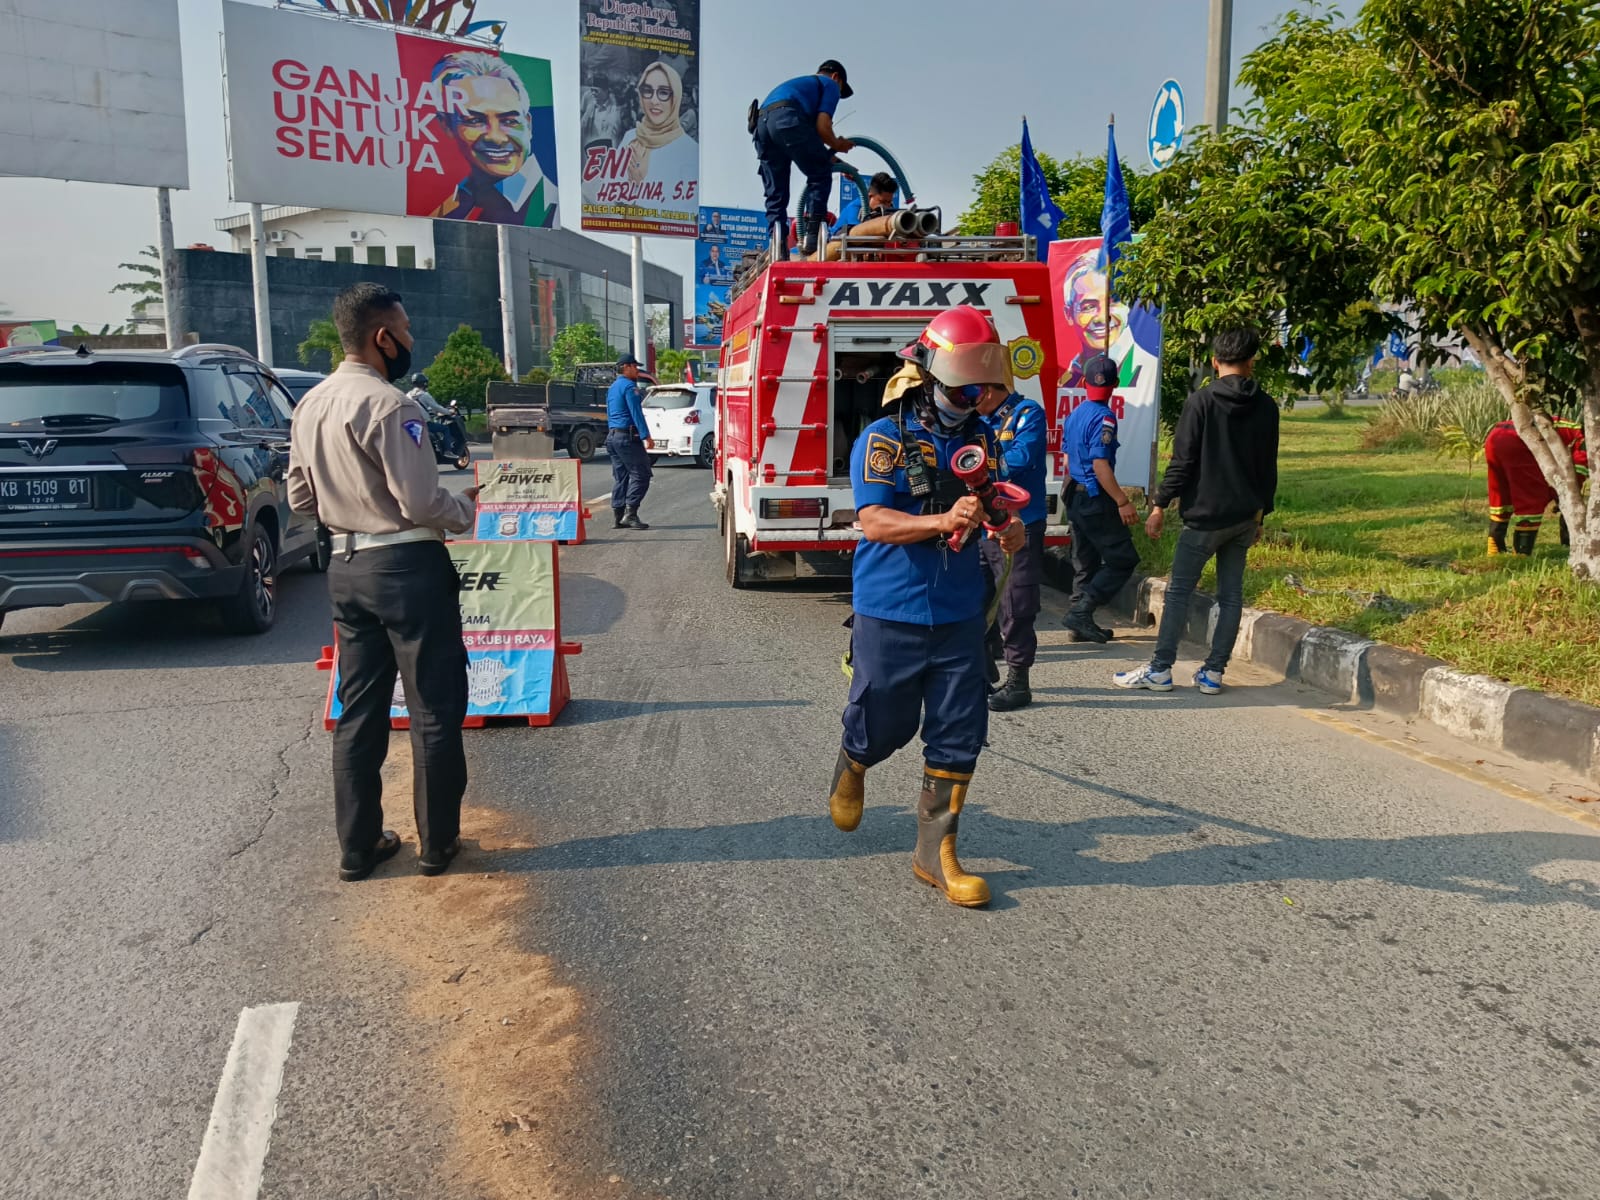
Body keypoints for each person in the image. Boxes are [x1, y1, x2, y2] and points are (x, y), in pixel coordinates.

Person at [826, 305, 1026, 909]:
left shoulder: (982, 438)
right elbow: (874, 520)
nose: (977, 399)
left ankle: (935, 853)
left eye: (986, 389)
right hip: (892, 605)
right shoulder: (882, 438)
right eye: (967, 388)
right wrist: (940, 519)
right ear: (935, 377)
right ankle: (855, 761)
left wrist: (1005, 528)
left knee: (960, 727)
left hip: (960, 608)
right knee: (885, 718)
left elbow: (989, 503)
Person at [286, 283, 478, 881]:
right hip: (406, 570)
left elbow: (298, 497)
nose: (411, 341)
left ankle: (357, 848)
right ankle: (436, 844)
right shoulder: (394, 406)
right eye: (407, 329)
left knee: (359, 712)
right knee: (434, 709)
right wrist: (465, 506)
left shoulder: (309, 405)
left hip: (345, 569)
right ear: (381, 337)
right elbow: (420, 501)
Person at [1115, 328, 1279, 696]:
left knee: (1179, 594)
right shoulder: (1267, 406)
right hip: (1242, 517)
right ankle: (1214, 673)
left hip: (1204, 517)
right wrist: (1260, 516)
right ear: (1252, 361)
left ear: (1214, 361)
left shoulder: (1201, 402)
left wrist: (1159, 504)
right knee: (1231, 596)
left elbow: (1183, 461)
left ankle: (1160, 669)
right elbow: (1268, 467)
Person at [978, 373, 1049, 711]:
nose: (972, 397)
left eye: (978, 390)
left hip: (1018, 523)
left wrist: (980, 467)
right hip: (981, 525)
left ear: (994, 387)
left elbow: (1019, 459)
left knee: (1016, 603)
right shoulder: (976, 420)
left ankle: (1019, 681)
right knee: (977, 597)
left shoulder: (1027, 413)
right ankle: (984, 668)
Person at [1060, 354, 1141, 645]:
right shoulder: (1104, 418)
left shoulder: (1075, 415)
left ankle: (1079, 622)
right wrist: (1122, 501)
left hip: (1074, 493)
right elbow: (1100, 465)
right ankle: (1081, 612)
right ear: (1115, 384)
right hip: (1095, 498)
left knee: (1085, 560)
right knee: (1123, 559)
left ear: (1083, 382)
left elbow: (1068, 456)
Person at [429, 51, 558, 227]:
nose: (496, 137)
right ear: (446, 125)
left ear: (528, 125)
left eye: (509, 121)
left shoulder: (551, 210)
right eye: (475, 121)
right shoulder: (447, 210)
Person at [752, 60, 856, 256]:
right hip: (787, 119)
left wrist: (843, 166)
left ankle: (778, 250)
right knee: (821, 176)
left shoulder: (801, 90)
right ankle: (812, 237)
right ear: (836, 77)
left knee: (777, 196)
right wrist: (838, 144)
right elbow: (823, 128)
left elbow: (814, 148)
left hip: (763, 126)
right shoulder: (830, 85)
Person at [1484, 417, 1587, 555]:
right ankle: (1521, 554)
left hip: (1496, 435)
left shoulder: (1573, 429)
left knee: (1502, 494)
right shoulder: (1589, 442)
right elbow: (1574, 478)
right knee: (1531, 497)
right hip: (1521, 439)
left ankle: (1494, 548)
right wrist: (1562, 496)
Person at [620, 62, 698, 193]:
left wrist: (642, 185)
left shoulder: (689, 150)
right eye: (647, 91)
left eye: (663, 92)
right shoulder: (630, 137)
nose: (654, 101)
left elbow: (686, 209)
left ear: (676, 97)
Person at [606, 353, 655, 530]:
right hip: (627, 437)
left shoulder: (613, 387)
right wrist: (645, 435)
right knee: (641, 475)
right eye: (634, 366)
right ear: (625, 367)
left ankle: (618, 516)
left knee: (622, 476)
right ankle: (630, 514)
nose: (637, 370)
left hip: (612, 436)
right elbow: (636, 412)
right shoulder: (629, 387)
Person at [405, 373, 464, 463]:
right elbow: (436, 407)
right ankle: (448, 451)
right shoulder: (424, 395)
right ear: (424, 383)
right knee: (445, 429)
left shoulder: (408, 395)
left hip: (410, 424)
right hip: (424, 423)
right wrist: (449, 412)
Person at [830, 172, 898, 237]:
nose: (886, 206)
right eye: (882, 202)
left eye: (889, 202)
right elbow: (857, 233)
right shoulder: (855, 208)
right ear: (870, 196)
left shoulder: (889, 210)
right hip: (835, 243)